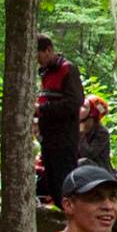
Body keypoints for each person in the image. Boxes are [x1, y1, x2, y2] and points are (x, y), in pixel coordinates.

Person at [35, 35, 84, 205]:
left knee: (65, 182)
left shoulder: (67, 69)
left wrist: (43, 109)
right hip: (48, 138)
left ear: (48, 50)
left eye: (39, 56)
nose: (38, 62)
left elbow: (74, 102)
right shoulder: (45, 74)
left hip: (64, 138)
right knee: (52, 183)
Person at [78, 95, 113, 172]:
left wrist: (81, 134)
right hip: (80, 170)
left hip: (99, 171)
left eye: (84, 107)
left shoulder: (102, 132)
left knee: (82, 162)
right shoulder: (73, 126)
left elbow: (87, 154)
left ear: (93, 113)